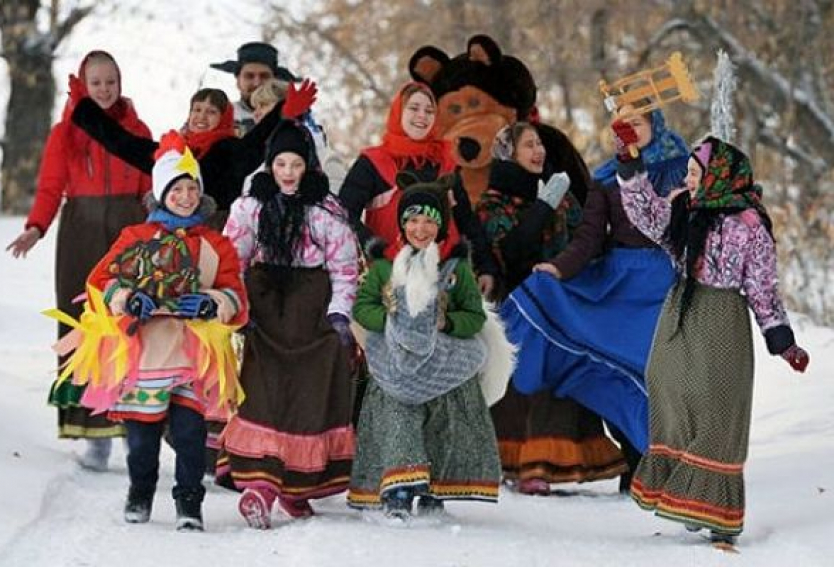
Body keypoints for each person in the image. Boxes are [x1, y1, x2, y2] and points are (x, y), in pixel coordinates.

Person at [616, 131, 810, 546]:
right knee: (666, 387)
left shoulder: (750, 224)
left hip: (722, 320)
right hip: (681, 314)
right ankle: (687, 495)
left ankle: (717, 515)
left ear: (718, 175)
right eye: (687, 172)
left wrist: (783, 341)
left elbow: (762, 287)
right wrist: (630, 163)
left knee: (717, 409)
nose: (687, 180)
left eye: (694, 172)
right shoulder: (685, 210)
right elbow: (645, 213)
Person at [51, 131, 248, 531]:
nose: (186, 197)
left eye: (192, 188)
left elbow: (237, 297)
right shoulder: (136, 237)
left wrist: (212, 301)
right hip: (146, 352)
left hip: (192, 356)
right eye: (177, 189)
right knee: (142, 437)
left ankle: (189, 502)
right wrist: (127, 298)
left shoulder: (215, 243)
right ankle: (140, 491)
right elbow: (99, 283)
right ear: (161, 193)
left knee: (190, 434)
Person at [502, 106, 688, 493]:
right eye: (622, 125)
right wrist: (558, 270)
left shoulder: (682, 169)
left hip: (662, 282)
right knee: (613, 368)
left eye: (636, 122)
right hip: (618, 282)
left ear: (654, 124)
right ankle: (637, 463)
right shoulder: (605, 177)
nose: (629, 130)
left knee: (654, 372)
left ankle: (667, 463)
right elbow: (588, 238)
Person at [6, 50, 152, 471]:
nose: (104, 89)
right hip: (81, 232)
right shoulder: (65, 132)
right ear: (84, 86)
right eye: (96, 82)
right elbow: (50, 187)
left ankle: (134, 430)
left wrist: (156, 213)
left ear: (120, 83)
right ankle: (92, 434)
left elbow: (150, 184)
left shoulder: (137, 129)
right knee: (84, 326)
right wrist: (36, 227)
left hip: (128, 233)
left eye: (111, 81)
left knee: (131, 326)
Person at [218, 120, 359, 529]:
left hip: (313, 311)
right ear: (270, 165)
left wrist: (339, 314)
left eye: (296, 164)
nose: (288, 172)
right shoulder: (251, 207)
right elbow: (233, 258)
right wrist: (237, 306)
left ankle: (295, 490)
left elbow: (344, 268)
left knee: (308, 399)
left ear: (308, 165)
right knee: (265, 395)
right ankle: (261, 488)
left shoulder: (325, 211)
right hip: (265, 310)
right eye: (281, 163)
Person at [475, 123, 627, 495]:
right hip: (518, 306)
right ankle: (515, 462)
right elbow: (512, 253)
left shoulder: (563, 196)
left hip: (562, 305)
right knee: (522, 381)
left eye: (540, 144)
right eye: (528, 145)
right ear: (509, 153)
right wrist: (543, 206)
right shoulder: (492, 203)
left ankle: (547, 462)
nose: (538, 151)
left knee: (560, 378)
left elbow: (585, 242)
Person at [347, 174, 503, 520]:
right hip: (395, 363)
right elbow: (362, 308)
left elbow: (475, 316)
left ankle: (434, 488)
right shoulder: (384, 267)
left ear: (441, 226)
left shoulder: (455, 269)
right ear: (402, 224)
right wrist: (387, 318)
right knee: (397, 420)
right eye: (413, 220)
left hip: (441, 366)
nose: (421, 229)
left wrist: (448, 323)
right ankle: (398, 489)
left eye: (429, 221)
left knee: (439, 426)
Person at [69, 73, 317, 228]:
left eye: (211, 112)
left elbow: (256, 143)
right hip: (173, 231)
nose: (201, 117)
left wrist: (281, 113)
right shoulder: (175, 152)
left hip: (216, 231)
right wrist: (84, 108)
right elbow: (124, 143)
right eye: (197, 110)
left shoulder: (229, 149)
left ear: (224, 118)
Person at [338, 81, 499, 296]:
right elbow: (343, 214)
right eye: (414, 108)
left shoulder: (447, 164)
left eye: (429, 111)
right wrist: (376, 250)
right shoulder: (373, 162)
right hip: (391, 282)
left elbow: (467, 221)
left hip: (445, 281)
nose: (422, 116)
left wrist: (486, 267)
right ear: (399, 112)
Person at [210, 41, 298, 136]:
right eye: (249, 76)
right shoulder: (219, 118)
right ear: (238, 81)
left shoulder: (296, 119)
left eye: (264, 76)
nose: (257, 83)